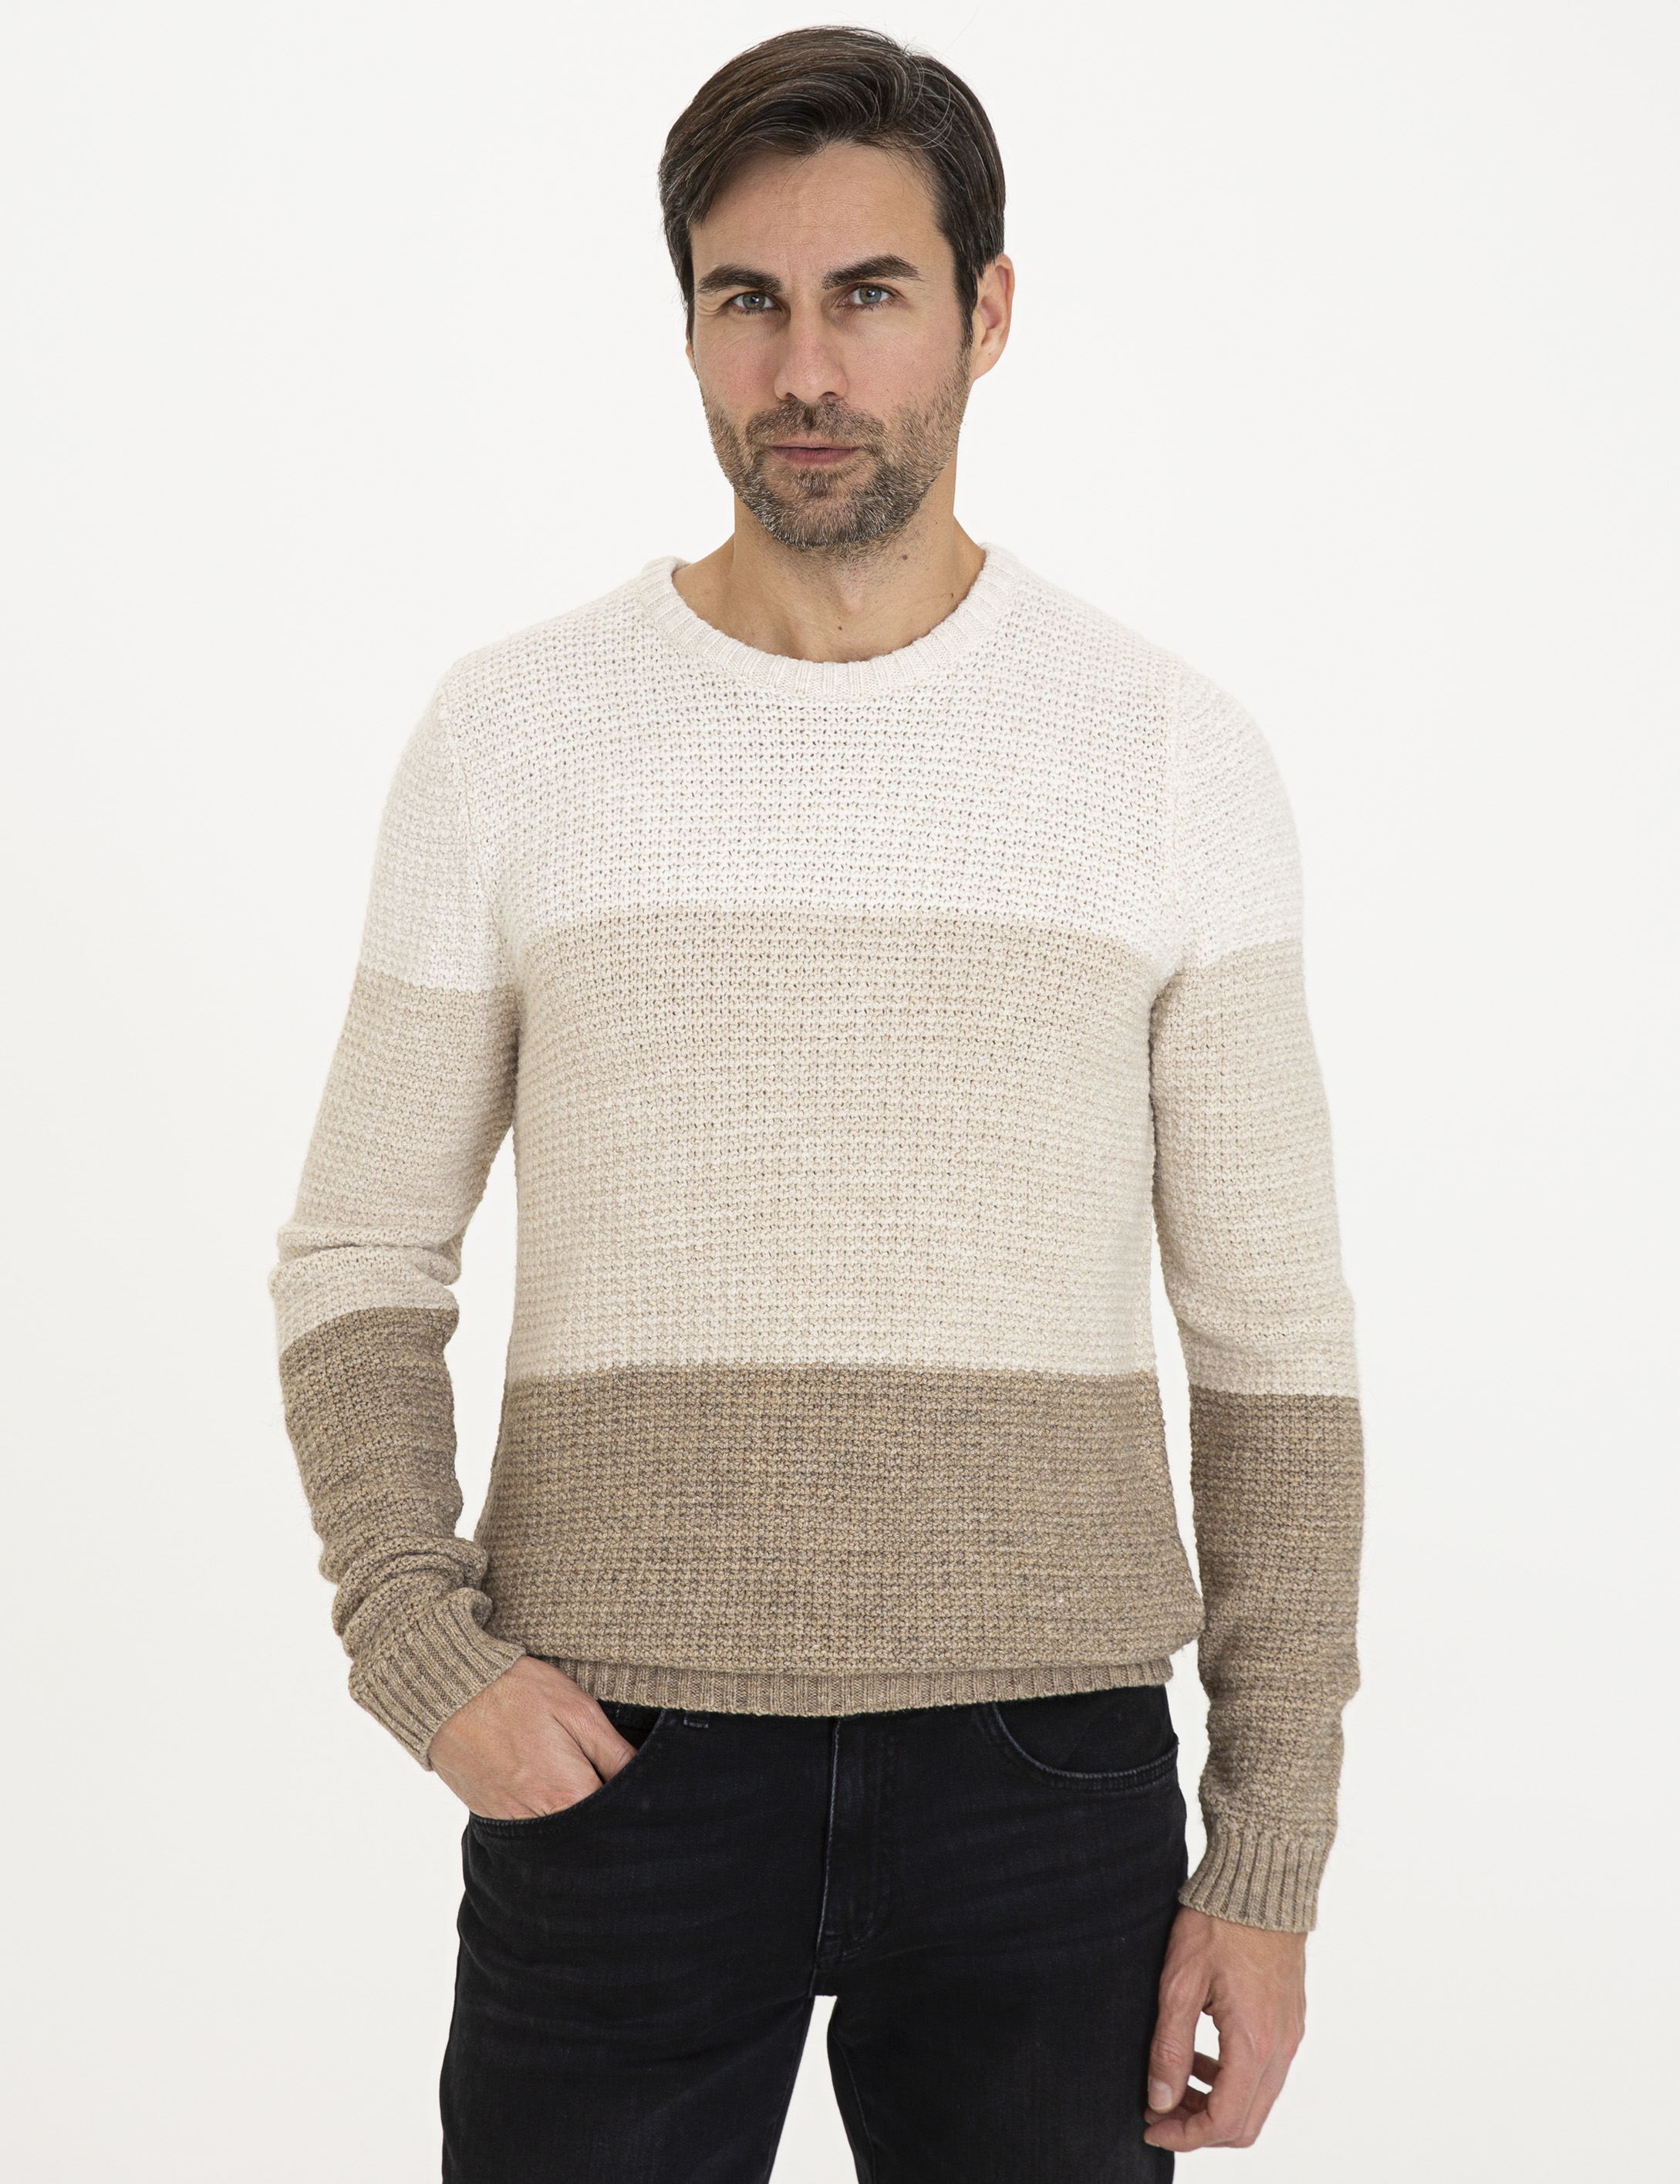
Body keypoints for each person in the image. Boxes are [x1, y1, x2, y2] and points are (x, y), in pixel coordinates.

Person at [271, 25, 1363, 2181]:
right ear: (686, 324)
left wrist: (1269, 1854)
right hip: (614, 1764)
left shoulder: (1165, 753)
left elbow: (1275, 1345)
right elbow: (358, 1256)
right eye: (744, 300)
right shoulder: (514, 737)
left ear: (986, 310)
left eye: (869, 293)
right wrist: (416, 1640)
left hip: (1047, 1781)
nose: (805, 368)